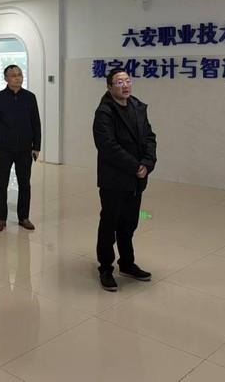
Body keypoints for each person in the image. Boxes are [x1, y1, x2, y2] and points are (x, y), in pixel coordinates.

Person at [92, 67, 157, 292]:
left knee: (129, 223)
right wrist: (135, 166)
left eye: (128, 81)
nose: (125, 85)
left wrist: (147, 163)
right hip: (114, 180)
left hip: (136, 180)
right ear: (110, 87)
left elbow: (150, 138)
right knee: (109, 224)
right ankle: (105, 268)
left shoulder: (138, 107)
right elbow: (108, 146)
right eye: (119, 82)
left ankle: (127, 263)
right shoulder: (104, 112)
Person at [0, 65, 41, 232]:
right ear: (6, 78)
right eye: (13, 75)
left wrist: (36, 146)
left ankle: (24, 217)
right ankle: (1, 218)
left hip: (24, 148)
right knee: (1, 184)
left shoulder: (30, 97)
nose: (17, 78)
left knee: (25, 184)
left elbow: (36, 123)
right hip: (4, 148)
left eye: (19, 75)